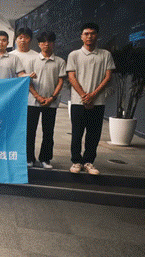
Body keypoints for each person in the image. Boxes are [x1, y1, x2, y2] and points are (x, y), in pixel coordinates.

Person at [67, 23, 115, 175]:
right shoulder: (74, 55)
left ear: (97, 35)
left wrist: (93, 95)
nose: (89, 36)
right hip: (78, 101)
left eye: (92, 33)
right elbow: (71, 76)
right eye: (86, 33)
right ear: (81, 36)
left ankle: (88, 162)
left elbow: (108, 76)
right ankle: (76, 161)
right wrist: (83, 95)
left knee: (94, 134)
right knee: (77, 133)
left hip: (98, 101)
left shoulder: (105, 55)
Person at [26, 31, 67, 169]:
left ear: (54, 43)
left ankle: (45, 159)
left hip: (51, 102)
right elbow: (28, 81)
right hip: (33, 101)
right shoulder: (32, 60)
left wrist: (52, 97)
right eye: (43, 41)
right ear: (39, 44)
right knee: (30, 131)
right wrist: (37, 96)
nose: (46, 44)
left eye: (49, 41)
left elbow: (60, 81)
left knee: (48, 132)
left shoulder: (60, 61)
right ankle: (29, 158)